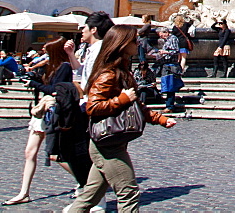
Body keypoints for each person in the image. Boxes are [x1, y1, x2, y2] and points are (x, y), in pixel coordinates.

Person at [66, 25, 176, 213]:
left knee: (89, 196)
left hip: (111, 140)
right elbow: (93, 107)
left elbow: (136, 105)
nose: (138, 44)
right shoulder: (108, 74)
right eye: (134, 41)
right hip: (107, 144)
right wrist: (121, 99)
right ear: (123, 44)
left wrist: (160, 119)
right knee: (129, 193)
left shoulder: (122, 71)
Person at [3, 38, 77, 206]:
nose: (44, 53)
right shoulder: (51, 67)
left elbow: (56, 90)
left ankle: (87, 182)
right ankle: (24, 192)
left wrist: (34, 84)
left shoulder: (64, 67)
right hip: (44, 109)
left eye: (47, 50)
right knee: (30, 152)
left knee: (55, 155)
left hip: (54, 111)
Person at [78, 11, 114, 93]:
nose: (82, 31)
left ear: (93, 29)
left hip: (92, 98)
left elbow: (93, 78)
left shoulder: (98, 50)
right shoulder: (97, 48)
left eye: (84, 27)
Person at [153, 27, 181, 112]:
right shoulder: (167, 40)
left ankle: (170, 106)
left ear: (166, 32)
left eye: (161, 35)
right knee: (167, 85)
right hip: (166, 65)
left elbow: (176, 51)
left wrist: (165, 52)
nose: (160, 37)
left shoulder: (173, 38)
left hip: (171, 66)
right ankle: (168, 105)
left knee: (170, 86)